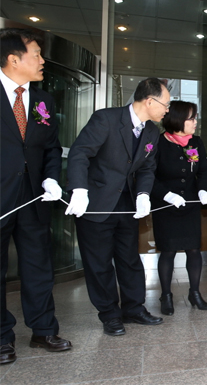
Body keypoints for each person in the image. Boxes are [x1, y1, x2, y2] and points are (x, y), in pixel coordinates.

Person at [65, 77, 170, 336]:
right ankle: (110, 314)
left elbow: (147, 167)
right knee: (99, 262)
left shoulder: (151, 132)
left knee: (129, 259)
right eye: (165, 104)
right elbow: (80, 153)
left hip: (126, 204)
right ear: (150, 101)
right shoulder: (106, 119)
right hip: (95, 202)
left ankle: (134, 308)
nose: (167, 110)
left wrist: (143, 194)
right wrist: (79, 189)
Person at [0, 28, 71, 364]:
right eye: (37, 54)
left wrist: (51, 179)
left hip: (34, 200)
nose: (43, 61)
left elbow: (52, 149)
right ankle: (1, 337)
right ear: (14, 59)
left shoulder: (44, 101)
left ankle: (44, 330)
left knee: (38, 266)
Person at [151, 101, 207, 315]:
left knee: (194, 249)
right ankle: (166, 295)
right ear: (178, 119)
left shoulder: (195, 142)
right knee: (167, 251)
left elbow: (204, 170)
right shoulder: (159, 143)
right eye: (191, 118)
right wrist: (166, 195)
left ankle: (194, 293)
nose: (195, 122)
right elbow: (148, 175)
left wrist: (204, 190)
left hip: (190, 205)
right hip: (166, 206)